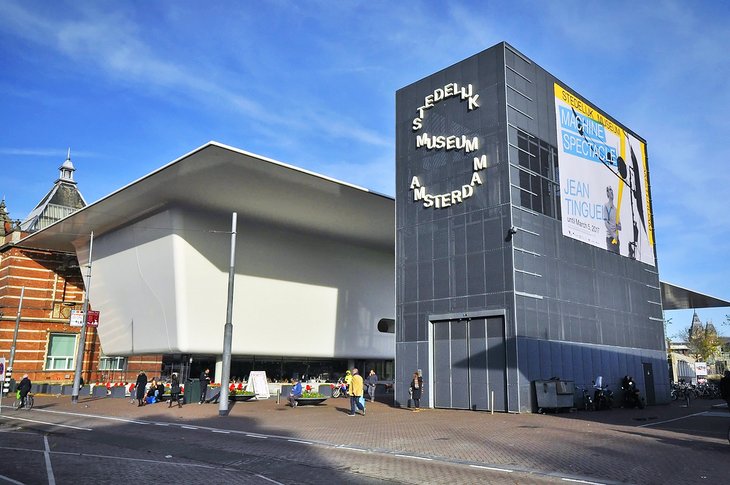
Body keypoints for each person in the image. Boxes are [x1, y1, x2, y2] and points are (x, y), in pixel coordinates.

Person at [603, 185, 621, 254]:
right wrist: (613, 234)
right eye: (610, 190)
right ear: (607, 193)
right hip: (610, 238)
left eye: (612, 190)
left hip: (616, 239)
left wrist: (618, 226)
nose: (612, 192)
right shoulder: (606, 206)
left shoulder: (616, 210)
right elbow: (606, 223)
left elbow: (620, 227)